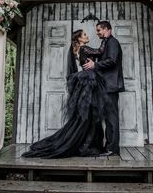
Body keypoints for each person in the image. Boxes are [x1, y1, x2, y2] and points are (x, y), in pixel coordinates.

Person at [22, 29, 109, 158]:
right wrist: (106, 39)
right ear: (79, 39)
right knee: (88, 116)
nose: (87, 36)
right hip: (89, 82)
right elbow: (100, 51)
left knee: (90, 116)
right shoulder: (84, 48)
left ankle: (88, 145)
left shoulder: (79, 49)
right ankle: (85, 146)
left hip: (90, 81)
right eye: (84, 34)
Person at [83, 21, 124, 156]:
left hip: (111, 86)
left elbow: (112, 60)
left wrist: (95, 65)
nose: (97, 33)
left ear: (107, 29)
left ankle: (113, 149)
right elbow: (101, 54)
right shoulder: (106, 43)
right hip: (106, 86)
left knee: (111, 118)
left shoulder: (112, 42)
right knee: (108, 117)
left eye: (99, 30)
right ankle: (109, 147)